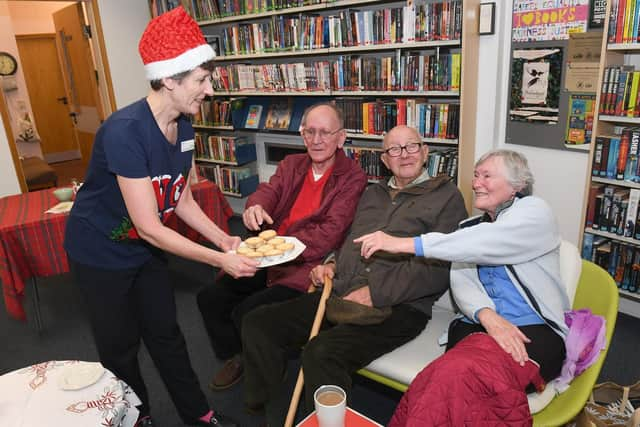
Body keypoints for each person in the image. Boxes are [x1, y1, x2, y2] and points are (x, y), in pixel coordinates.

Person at [63, 7, 256, 427]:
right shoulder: (124, 131)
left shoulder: (184, 125)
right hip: (100, 251)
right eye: (202, 80)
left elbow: (179, 196)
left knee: (166, 334)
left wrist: (221, 238)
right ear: (170, 79)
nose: (209, 90)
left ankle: (198, 414)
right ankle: (137, 418)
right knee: (120, 348)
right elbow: (151, 225)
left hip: (143, 248)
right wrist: (218, 260)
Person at [241, 125, 467, 426]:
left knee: (322, 352)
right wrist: (332, 264)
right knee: (258, 322)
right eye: (394, 150)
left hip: (400, 307)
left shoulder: (447, 198)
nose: (404, 155)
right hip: (342, 291)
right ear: (385, 160)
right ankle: (266, 409)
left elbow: (439, 265)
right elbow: (348, 239)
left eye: (411, 146)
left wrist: (375, 292)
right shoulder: (373, 193)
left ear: (425, 152)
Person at [355, 149, 570, 425]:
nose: (476, 183)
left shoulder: (535, 213)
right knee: (449, 378)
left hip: (533, 331)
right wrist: (488, 317)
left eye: (487, 176)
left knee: (453, 377)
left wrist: (403, 243)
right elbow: (462, 281)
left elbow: (486, 241)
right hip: (477, 325)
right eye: (476, 175)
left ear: (516, 185)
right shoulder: (468, 228)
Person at [197, 102, 368, 391]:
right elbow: (268, 191)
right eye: (310, 132)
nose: (316, 140)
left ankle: (264, 365)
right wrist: (255, 206)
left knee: (248, 313)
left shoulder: (352, 178)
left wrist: (284, 245)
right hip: (271, 255)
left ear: (341, 138)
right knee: (210, 298)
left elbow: (331, 232)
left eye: (325, 133)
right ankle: (240, 355)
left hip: (307, 264)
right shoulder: (292, 164)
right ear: (302, 135)